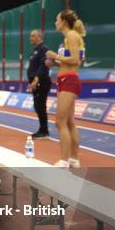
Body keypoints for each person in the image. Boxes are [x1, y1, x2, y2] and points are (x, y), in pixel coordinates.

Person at [45, 10, 85, 168]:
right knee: (69, 122)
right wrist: (55, 63)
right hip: (65, 79)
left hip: (69, 80)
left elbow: (75, 60)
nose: (55, 23)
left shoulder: (72, 36)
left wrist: (56, 56)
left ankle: (64, 160)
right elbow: (71, 61)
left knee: (59, 121)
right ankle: (74, 160)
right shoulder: (69, 37)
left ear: (63, 21)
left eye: (56, 20)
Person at [26, 30, 50, 139]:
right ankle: (43, 129)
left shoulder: (43, 49)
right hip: (35, 82)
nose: (30, 38)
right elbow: (32, 68)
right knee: (37, 106)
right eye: (30, 36)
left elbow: (43, 66)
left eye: (33, 36)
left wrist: (36, 80)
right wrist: (31, 82)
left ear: (39, 37)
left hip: (41, 82)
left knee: (40, 106)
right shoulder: (35, 50)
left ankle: (44, 131)